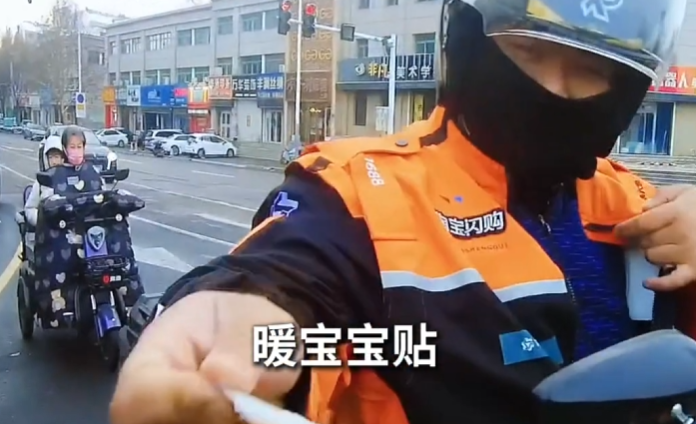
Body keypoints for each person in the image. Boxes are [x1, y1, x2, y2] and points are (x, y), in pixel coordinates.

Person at [111, 1, 696, 424]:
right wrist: (243, 329)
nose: (556, 90)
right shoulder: (360, 190)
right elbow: (292, 276)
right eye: (528, 52)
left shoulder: (647, 209)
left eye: (592, 70)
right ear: (466, 40)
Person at [24, 137, 65, 226]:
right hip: (47, 230)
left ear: (63, 158)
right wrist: (42, 221)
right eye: (51, 157)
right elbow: (29, 208)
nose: (54, 161)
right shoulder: (41, 181)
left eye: (56, 157)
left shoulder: (70, 178)